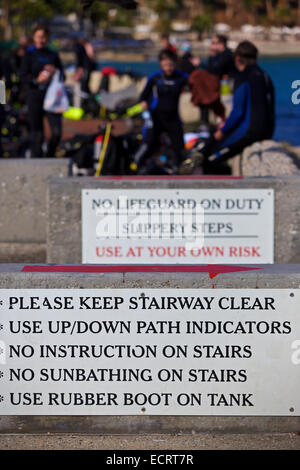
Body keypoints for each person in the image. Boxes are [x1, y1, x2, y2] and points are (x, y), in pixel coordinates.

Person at [180, 41, 275, 174]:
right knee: (213, 147)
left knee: (210, 159)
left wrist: (222, 131)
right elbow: (270, 109)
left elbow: (238, 112)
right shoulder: (265, 76)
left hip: (249, 132)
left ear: (237, 58)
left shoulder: (243, 77)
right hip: (267, 132)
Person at [132, 49, 188, 170]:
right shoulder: (155, 77)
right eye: (165, 65)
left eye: (171, 65)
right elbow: (144, 95)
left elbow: (195, 82)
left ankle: (179, 170)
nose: (168, 68)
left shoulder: (181, 77)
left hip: (173, 117)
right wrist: (144, 103)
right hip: (156, 116)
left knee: (179, 146)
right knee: (149, 143)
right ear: (161, 64)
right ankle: (136, 165)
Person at [20, 25, 64, 158]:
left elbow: (63, 76)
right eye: (38, 37)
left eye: (44, 37)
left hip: (51, 98)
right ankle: (36, 162)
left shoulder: (52, 54)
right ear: (34, 38)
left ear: (47, 38)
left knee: (56, 132)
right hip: (35, 96)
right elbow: (22, 76)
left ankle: (50, 156)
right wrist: (36, 80)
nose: (41, 40)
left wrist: (54, 71)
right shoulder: (29, 54)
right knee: (36, 134)